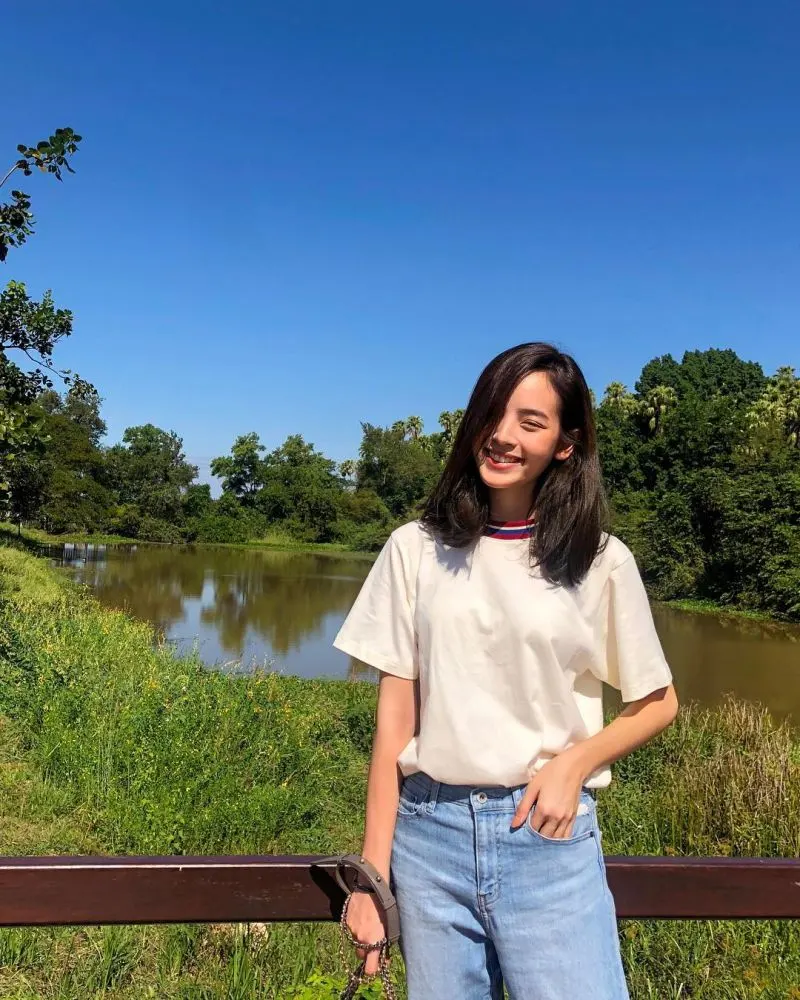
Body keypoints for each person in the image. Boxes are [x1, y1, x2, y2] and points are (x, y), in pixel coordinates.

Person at [332, 342, 679, 999]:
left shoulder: (600, 561)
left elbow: (659, 702)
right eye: (493, 413)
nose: (502, 435)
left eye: (531, 422)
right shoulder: (415, 549)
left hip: (545, 838)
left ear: (565, 445)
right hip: (428, 842)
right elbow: (394, 727)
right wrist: (373, 879)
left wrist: (573, 764)